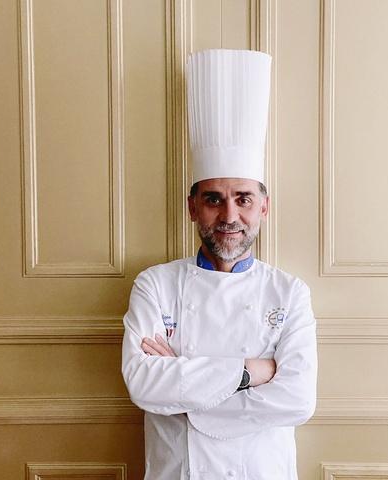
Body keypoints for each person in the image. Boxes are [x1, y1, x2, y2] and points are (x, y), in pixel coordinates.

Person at [121, 49, 318, 480]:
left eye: (243, 199)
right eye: (214, 199)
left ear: (263, 207)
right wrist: (250, 372)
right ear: (193, 207)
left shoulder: (290, 293)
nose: (229, 216)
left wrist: (186, 393)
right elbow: (143, 383)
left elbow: (298, 400)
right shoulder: (154, 285)